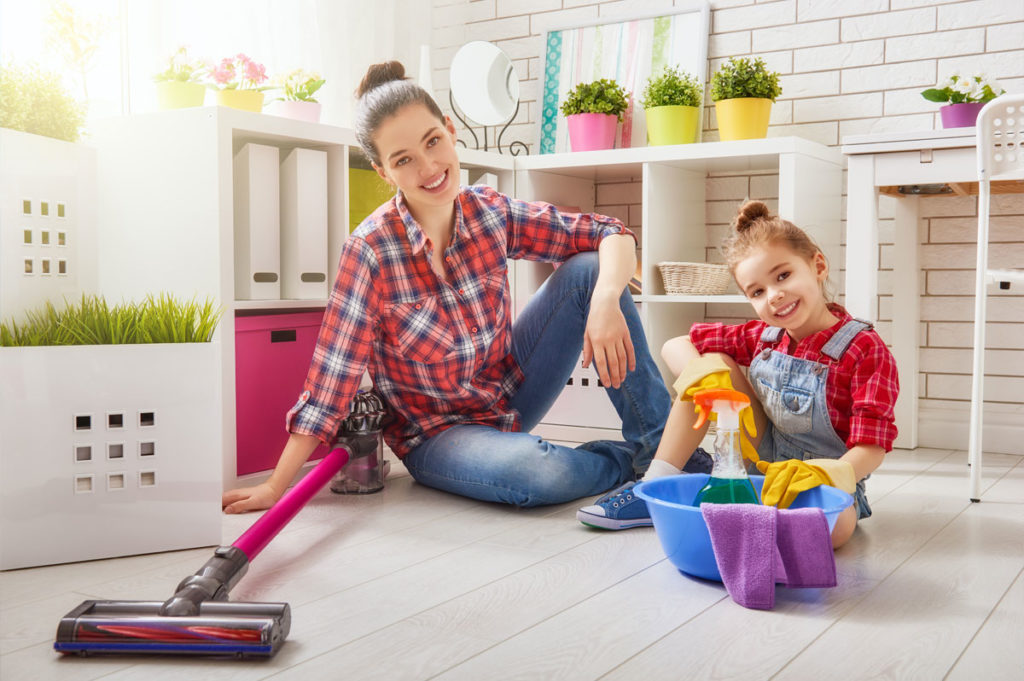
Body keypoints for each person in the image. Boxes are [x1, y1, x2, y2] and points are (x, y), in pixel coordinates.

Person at [222, 61, 709, 514]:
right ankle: (636, 466)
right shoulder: (370, 251)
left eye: (433, 142)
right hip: (436, 437)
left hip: (508, 393)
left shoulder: (488, 211)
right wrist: (275, 486)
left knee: (588, 271)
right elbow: (331, 379)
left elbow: (610, 234)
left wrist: (605, 302)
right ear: (383, 171)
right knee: (533, 472)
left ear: (451, 133)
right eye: (404, 159)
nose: (428, 168)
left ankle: (667, 457)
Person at [578, 200, 899, 548]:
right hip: (759, 460)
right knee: (710, 364)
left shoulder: (865, 349)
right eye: (757, 292)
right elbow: (675, 344)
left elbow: (871, 446)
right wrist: (703, 378)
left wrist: (823, 474)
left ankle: (746, 518)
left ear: (817, 265)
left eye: (783, 276)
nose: (774, 296)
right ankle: (655, 484)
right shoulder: (765, 336)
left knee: (835, 527)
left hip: (824, 482)